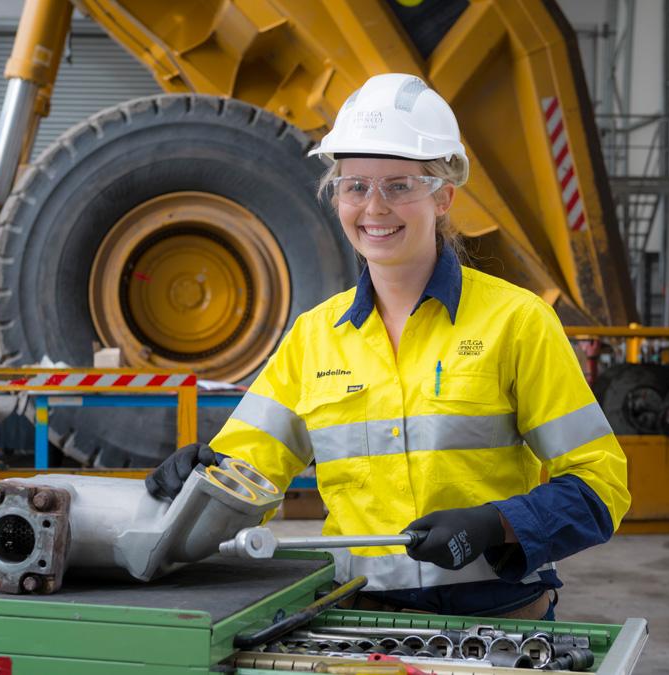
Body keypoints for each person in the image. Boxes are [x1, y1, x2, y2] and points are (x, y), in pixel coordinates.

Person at [145, 73, 630, 620]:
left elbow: (601, 486)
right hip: (356, 622)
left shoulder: (517, 322)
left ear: (443, 197)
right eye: (355, 186)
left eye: (399, 186)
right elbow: (244, 479)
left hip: (498, 623)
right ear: (337, 197)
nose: (374, 207)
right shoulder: (314, 337)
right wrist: (195, 484)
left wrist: (497, 523)